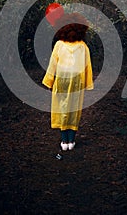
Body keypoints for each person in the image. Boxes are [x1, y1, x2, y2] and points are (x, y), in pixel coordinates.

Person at [42, 13, 94, 151]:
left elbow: (53, 64)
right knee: (74, 109)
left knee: (61, 108)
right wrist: (88, 83)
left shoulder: (59, 45)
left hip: (61, 80)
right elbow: (87, 65)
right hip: (77, 81)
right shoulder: (83, 46)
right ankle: (71, 141)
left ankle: (64, 141)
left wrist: (49, 81)